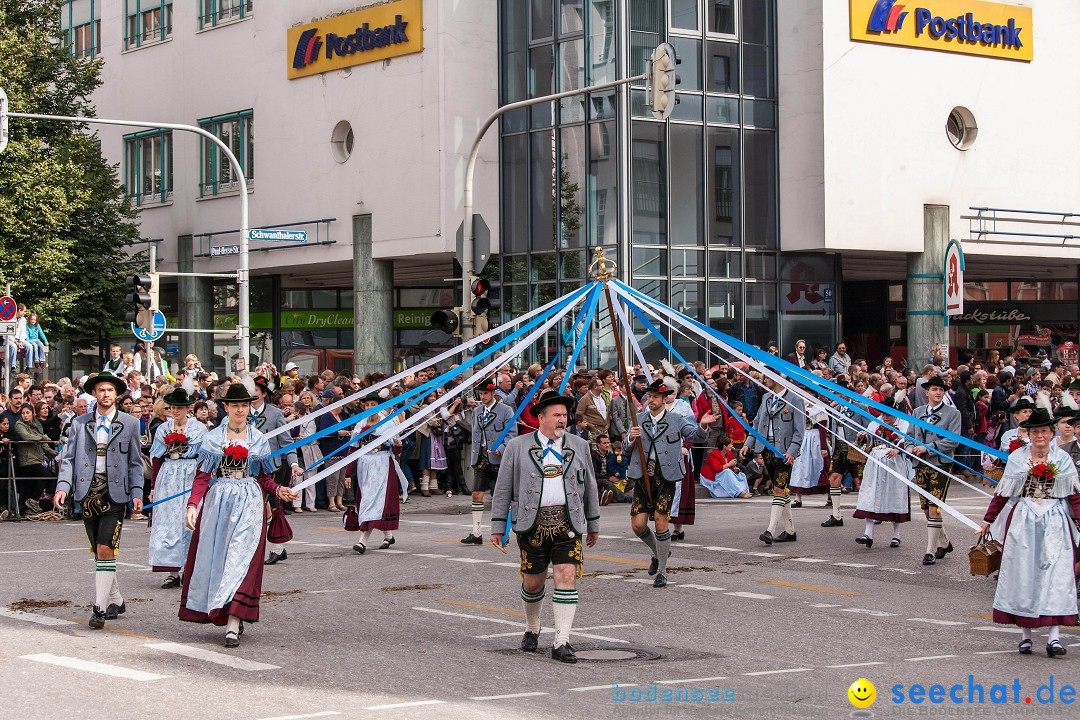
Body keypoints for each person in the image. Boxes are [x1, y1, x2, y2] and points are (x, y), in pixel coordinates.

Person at [180, 381, 297, 648]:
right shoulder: (212, 438)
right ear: (226, 408)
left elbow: (265, 479)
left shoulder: (258, 439)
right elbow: (201, 477)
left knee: (241, 559)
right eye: (235, 405)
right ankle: (226, 611)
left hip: (249, 502)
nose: (240, 410)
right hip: (219, 501)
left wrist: (279, 491)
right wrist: (192, 505)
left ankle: (233, 623)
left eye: (244, 405)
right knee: (220, 559)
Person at [490, 390, 600, 664]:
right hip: (531, 523)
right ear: (541, 418)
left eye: (565, 415)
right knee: (533, 581)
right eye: (557, 415)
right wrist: (497, 525)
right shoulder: (517, 446)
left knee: (566, 577)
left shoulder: (579, 445)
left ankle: (562, 641)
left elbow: (590, 486)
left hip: (568, 522)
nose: (562, 420)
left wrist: (593, 521)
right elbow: (502, 489)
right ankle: (532, 626)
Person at [979, 408, 1080, 657]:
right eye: (1035, 431)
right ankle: (1025, 637)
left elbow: (1074, 494)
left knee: (1056, 575)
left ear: (1051, 432)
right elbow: (1003, 491)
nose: (1040, 436)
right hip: (1024, 519)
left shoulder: (1062, 459)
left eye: (1044, 430)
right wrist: (988, 520)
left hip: (1055, 520)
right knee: (1023, 574)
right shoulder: (1017, 458)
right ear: (1030, 433)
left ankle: (1054, 638)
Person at [53, 372, 145, 629]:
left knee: (106, 548)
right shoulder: (80, 423)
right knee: (98, 552)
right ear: (94, 394)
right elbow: (69, 459)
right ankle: (115, 598)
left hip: (115, 494)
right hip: (86, 492)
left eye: (110, 391)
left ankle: (99, 608)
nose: (106, 394)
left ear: (117, 395)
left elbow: (136, 463)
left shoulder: (130, 423)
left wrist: (136, 493)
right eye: (101, 390)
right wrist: (63, 487)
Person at [624, 379, 718, 588]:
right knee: (638, 525)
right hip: (642, 476)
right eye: (649, 396)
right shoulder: (638, 419)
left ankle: (662, 571)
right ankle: (657, 552)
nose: (651, 400)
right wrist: (631, 437)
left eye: (655, 397)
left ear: (665, 399)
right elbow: (625, 449)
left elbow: (695, 436)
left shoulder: (676, 419)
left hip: (666, 476)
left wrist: (703, 424)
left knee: (660, 520)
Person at [147, 385, 206, 588]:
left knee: (189, 521)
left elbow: (204, 459)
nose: (175, 411)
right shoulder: (163, 428)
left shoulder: (198, 429)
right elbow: (156, 459)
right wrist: (154, 487)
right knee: (168, 523)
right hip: (169, 475)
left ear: (188, 407)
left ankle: (191, 569)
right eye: (172, 407)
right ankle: (172, 571)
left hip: (190, 475)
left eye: (179, 407)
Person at [903, 375, 962, 567]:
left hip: (941, 464)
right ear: (926, 392)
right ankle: (944, 542)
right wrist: (911, 446)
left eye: (941, 390)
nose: (938, 393)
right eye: (934, 390)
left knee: (934, 508)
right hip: (920, 464)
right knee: (926, 508)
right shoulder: (918, 411)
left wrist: (928, 447)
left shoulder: (953, 414)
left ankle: (930, 551)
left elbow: (952, 440)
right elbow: (909, 435)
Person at [742, 376, 805, 546]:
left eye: (766, 378)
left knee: (778, 489)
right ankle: (790, 530)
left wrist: (792, 451)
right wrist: (748, 444)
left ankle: (770, 530)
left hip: (784, 453)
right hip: (766, 450)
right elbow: (756, 424)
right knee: (782, 490)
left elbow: (800, 431)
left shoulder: (795, 400)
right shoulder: (766, 398)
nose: (764, 381)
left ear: (775, 379)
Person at [250, 376, 301, 564]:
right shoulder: (240, 413)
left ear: (264, 393)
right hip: (247, 468)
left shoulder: (274, 413)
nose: (253, 393)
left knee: (271, 506)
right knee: (256, 508)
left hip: (271, 468)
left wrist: (294, 464)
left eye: (256, 389)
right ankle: (258, 547)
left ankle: (277, 547)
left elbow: (286, 442)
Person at [349, 392, 407, 554]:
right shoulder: (360, 425)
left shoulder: (387, 424)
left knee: (373, 500)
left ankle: (362, 541)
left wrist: (397, 445)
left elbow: (396, 449)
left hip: (381, 464)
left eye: (373, 405)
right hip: (364, 466)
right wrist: (348, 473)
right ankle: (388, 535)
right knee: (368, 499)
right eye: (366, 405)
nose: (369, 408)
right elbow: (353, 449)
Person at [463, 378, 517, 545]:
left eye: (486, 393)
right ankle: (476, 532)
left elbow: (512, 434)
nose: (483, 396)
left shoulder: (506, 410)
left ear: (493, 392)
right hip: (482, 458)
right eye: (481, 393)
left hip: (499, 459)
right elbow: (476, 434)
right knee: (477, 494)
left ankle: (505, 532)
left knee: (503, 495)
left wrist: (500, 449)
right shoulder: (478, 411)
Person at [853, 404, 912, 549]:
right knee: (872, 494)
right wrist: (862, 437)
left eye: (888, 415)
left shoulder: (904, 425)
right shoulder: (875, 424)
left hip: (894, 465)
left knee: (895, 495)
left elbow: (909, 441)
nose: (885, 418)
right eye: (883, 415)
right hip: (876, 464)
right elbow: (869, 442)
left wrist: (897, 450)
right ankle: (868, 534)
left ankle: (896, 535)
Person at [13, 403, 58, 514]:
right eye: (23, 413)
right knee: (44, 476)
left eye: (27, 413)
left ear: (32, 414)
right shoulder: (19, 425)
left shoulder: (37, 424)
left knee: (31, 484)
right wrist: (43, 438)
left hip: (37, 458)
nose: (25, 415)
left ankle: (27, 508)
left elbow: (43, 443)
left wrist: (52, 451)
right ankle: (33, 501)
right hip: (27, 459)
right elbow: (26, 436)